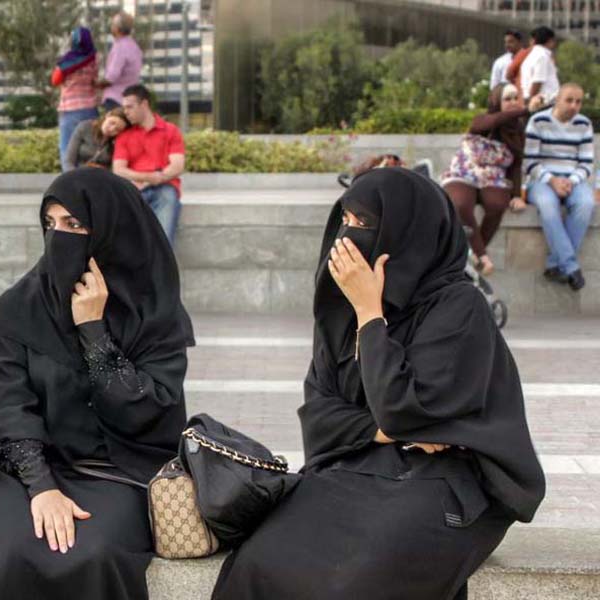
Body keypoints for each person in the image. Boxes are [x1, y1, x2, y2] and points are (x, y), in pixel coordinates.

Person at [212, 168, 545, 600]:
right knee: (257, 562)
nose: (349, 236)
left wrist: (371, 314)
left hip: (451, 483)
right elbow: (319, 415)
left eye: (365, 225)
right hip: (358, 467)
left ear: (411, 232)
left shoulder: (458, 308)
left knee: (355, 582)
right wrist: (384, 431)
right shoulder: (338, 307)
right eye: (345, 221)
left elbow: (399, 407)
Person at [0, 167, 195, 600]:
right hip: (25, 470)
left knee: (91, 553)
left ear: (113, 232)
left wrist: (94, 334)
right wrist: (42, 487)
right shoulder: (19, 307)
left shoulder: (153, 314)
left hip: (119, 471)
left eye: (74, 225)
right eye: (50, 224)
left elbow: (148, 410)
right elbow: (9, 406)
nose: (59, 238)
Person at [442, 83, 529, 276]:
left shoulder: (518, 129)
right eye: (508, 99)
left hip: (493, 178)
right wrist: (524, 110)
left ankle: (468, 254)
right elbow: (486, 124)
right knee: (460, 203)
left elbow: (516, 165)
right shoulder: (485, 120)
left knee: (498, 204)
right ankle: (482, 257)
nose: (513, 102)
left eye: (516, 98)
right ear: (496, 101)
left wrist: (516, 195)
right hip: (465, 172)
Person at [523, 83, 596, 291]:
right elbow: (530, 162)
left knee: (586, 204)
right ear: (557, 100)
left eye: (579, 101)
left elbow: (586, 163)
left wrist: (570, 181)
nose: (574, 106)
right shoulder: (538, 121)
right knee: (548, 205)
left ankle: (556, 264)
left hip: (573, 179)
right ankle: (570, 266)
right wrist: (552, 180)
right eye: (569, 100)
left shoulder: (584, 123)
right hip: (542, 179)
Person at [113, 84, 186, 244]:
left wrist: (152, 180)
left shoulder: (170, 130)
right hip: (133, 189)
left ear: (144, 104)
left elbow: (177, 166)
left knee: (167, 203)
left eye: (130, 107)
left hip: (164, 188)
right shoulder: (124, 136)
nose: (126, 112)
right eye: (124, 107)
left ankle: (162, 266)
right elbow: (118, 169)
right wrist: (147, 178)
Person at [53, 27, 100, 172]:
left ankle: (71, 186)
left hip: (69, 110)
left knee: (67, 149)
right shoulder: (94, 58)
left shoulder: (67, 60)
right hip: (90, 109)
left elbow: (55, 80)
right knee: (91, 148)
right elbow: (95, 79)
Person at [97, 12, 142, 111]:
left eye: (112, 24)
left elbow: (111, 78)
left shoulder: (120, 48)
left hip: (115, 99)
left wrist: (95, 84)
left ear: (117, 29)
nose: (111, 27)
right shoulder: (134, 46)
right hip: (130, 98)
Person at [63, 107, 130, 171]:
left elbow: (114, 169)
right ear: (108, 115)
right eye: (112, 123)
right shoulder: (85, 127)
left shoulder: (116, 142)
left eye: (117, 130)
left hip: (102, 178)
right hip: (77, 174)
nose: (111, 129)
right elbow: (68, 161)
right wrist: (73, 177)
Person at [520, 26, 560, 107]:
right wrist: (530, 104)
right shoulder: (542, 56)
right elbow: (538, 81)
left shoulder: (532, 56)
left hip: (536, 100)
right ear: (550, 41)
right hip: (544, 102)